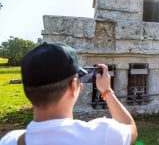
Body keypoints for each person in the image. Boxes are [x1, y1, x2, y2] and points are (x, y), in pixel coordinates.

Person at [0, 42, 138, 145]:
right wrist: (107, 91)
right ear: (73, 86)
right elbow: (130, 129)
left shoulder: (10, 140)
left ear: (26, 91)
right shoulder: (103, 134)